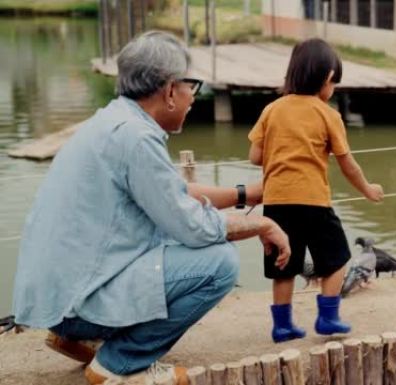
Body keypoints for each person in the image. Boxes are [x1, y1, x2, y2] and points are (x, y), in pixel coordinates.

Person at [11, 31, 290, 385]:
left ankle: (78, 336)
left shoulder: (112, 122)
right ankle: (117, 363)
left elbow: (170, 191)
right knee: (219, 263)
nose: (194, 96)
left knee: (174, 250)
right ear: (171, 90)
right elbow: (193, 227)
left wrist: (245, 194)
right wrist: (263, 226)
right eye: (193, 86)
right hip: (76, 304)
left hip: (58, 297)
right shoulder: (137, 138)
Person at [248, 38, 383, 343]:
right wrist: (367, 189)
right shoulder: (328, 114)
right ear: (326, 79)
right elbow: (348, 164)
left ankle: (282, 327)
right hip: (313, 202)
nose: (333, 89)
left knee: (284, 263)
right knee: (336, 258)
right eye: (334, 83)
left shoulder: (272, 110)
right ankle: (328, 318)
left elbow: (255, 157)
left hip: (277, 203)